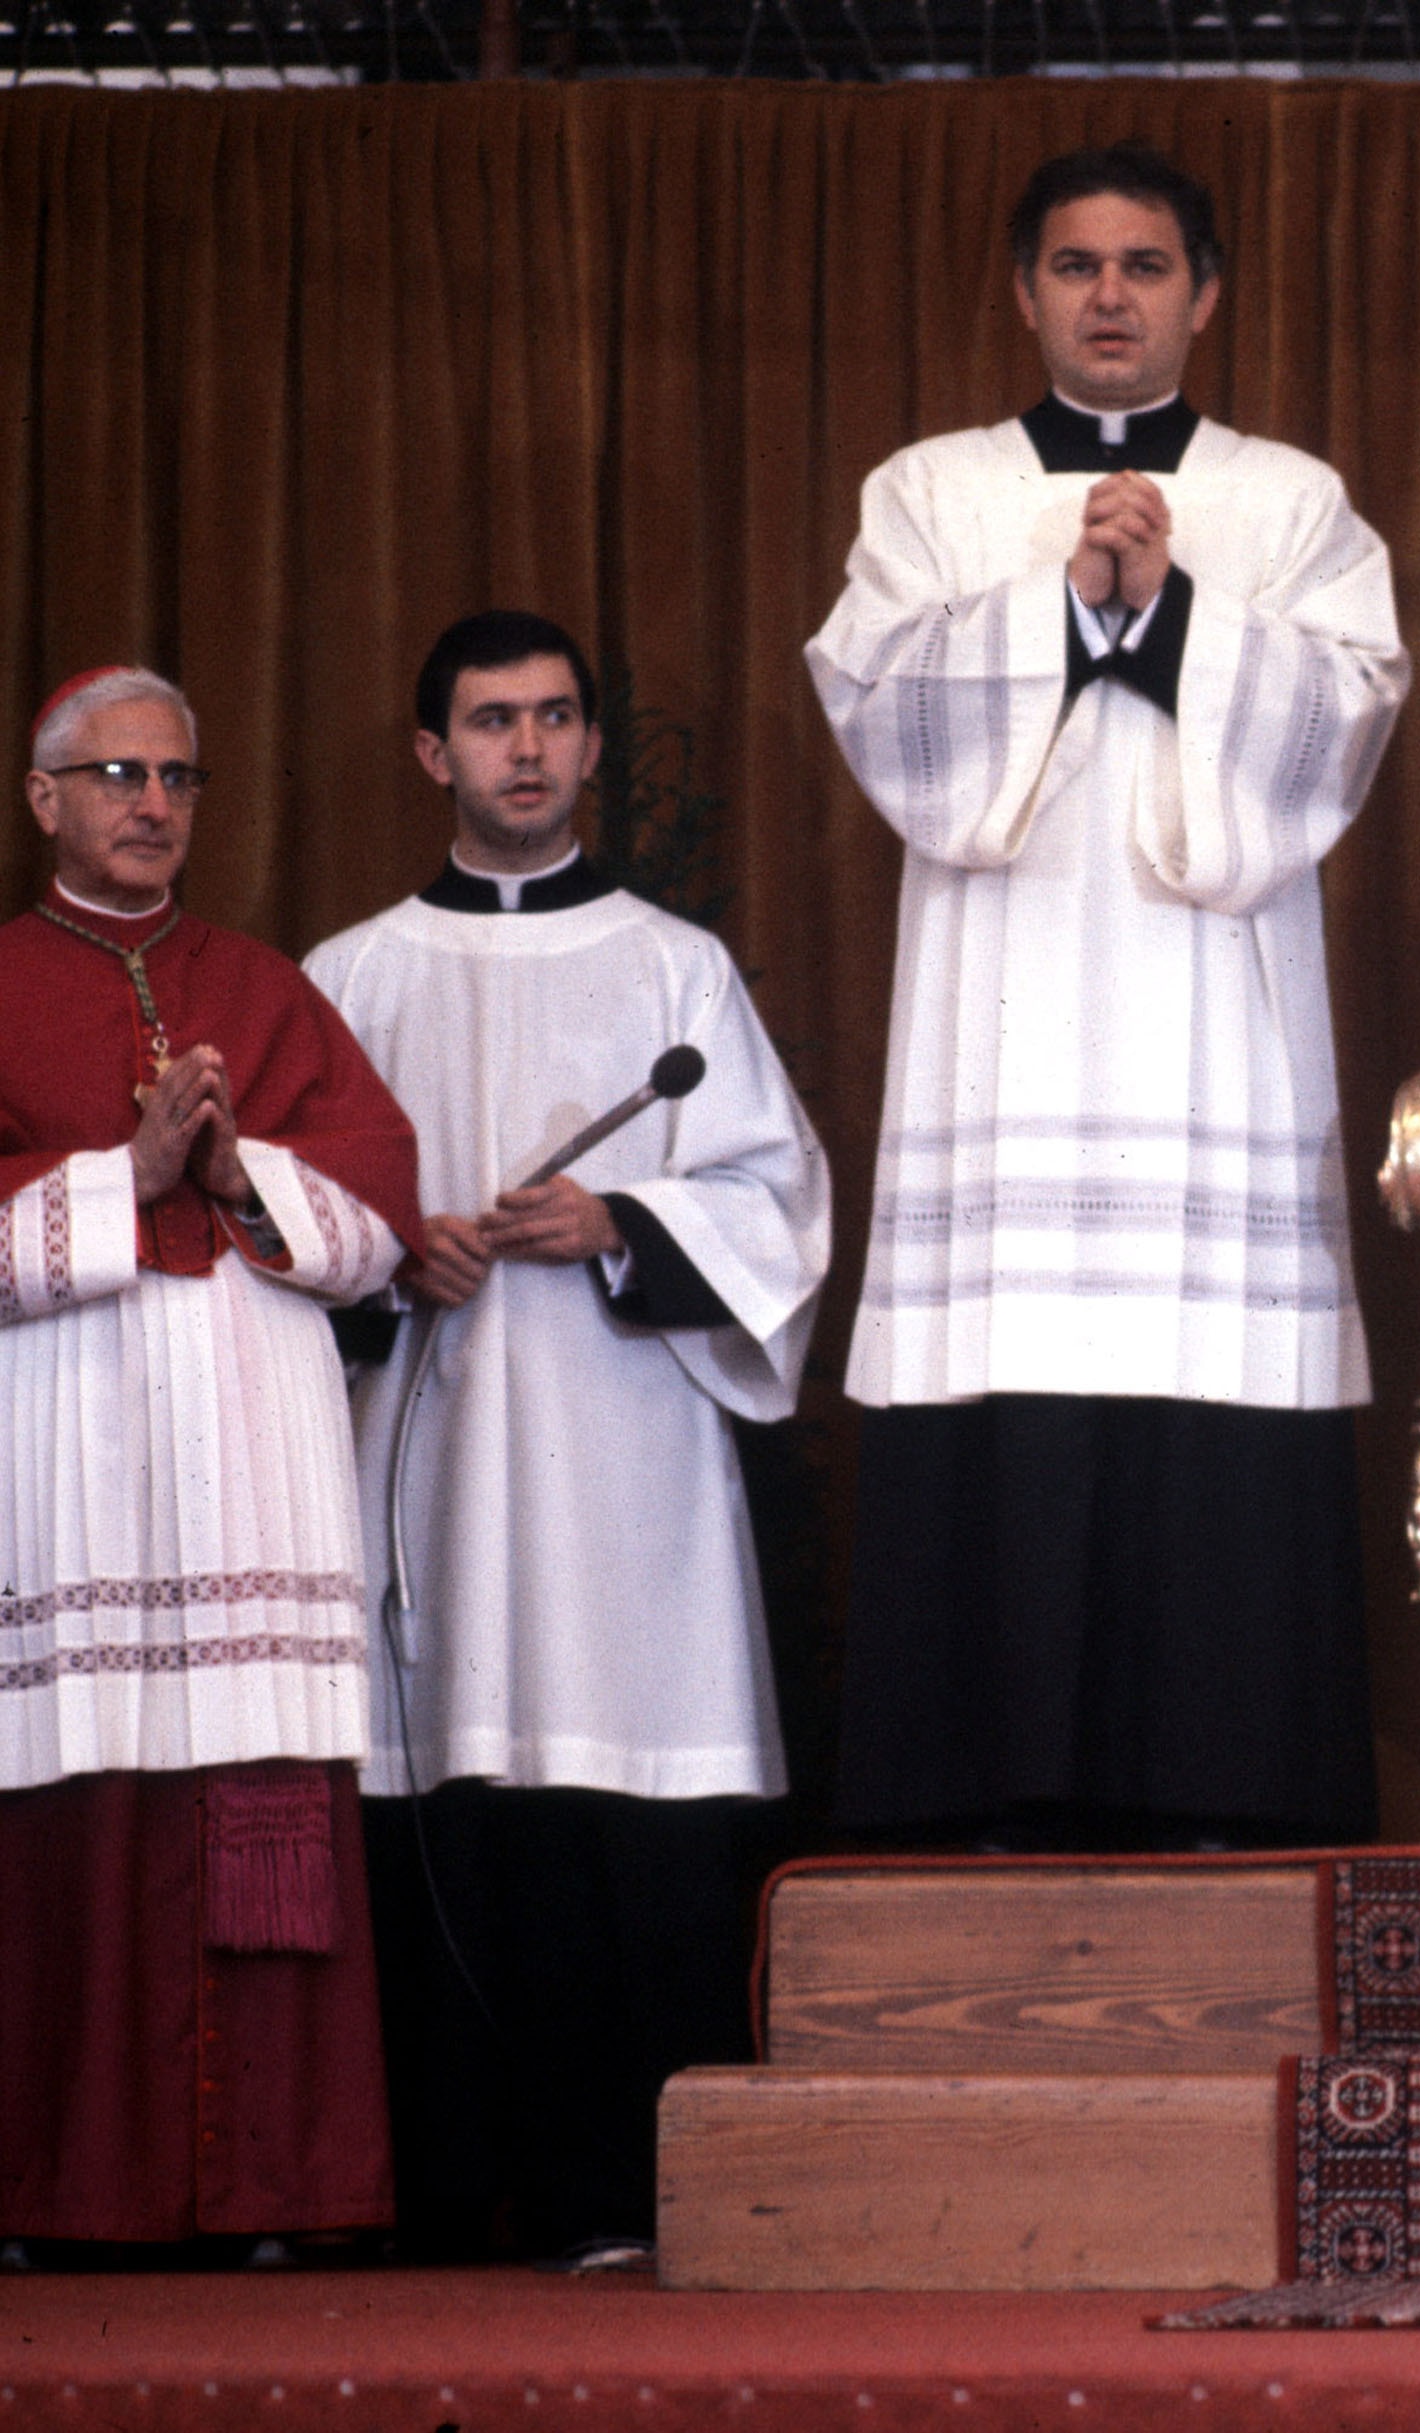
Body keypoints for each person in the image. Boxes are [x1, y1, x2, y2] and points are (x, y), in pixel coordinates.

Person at [805, 143, 1407, 1853]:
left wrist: (1179, 609)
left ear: (1205, 295)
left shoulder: (1291, 503)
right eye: (1077, 268)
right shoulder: (928, 492)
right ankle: (985, 1804)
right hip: (999, 1032)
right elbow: (882, 707)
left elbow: (1351, 718)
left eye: (1147, 267)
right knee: (1013, 1397)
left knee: (1203, 1411)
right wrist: (1073, 600)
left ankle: (1229, 1800)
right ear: (1025, 295)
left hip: (1211, 1015)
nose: (1113, 298)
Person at [304, 612, 832, 2266]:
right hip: (434, 1464)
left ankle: (629, 2201)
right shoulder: (351, 976)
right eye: (489, 722)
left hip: (628, 1482)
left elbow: (779, 1202)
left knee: (628, 1823)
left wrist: (617, 1217)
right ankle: (444, 2203)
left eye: (552, 719)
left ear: (592, 746)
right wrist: (399, 1257)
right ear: (429, 753)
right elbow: (291, 1228)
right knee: (448, 1807)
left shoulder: (676, 967)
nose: (525, 750)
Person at [1, 668, 422, 2256]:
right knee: (76, 1794)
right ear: (46, 798)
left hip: (252, 1419)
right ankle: (63, 2192)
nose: (151, 802)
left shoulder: (265, 985)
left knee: (260, 1794)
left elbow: (381, 1202)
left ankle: (278, 2190)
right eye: (114, 773)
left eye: (176, 777)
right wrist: (128, 1173)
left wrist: (239, 1172)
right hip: (69, 1430)